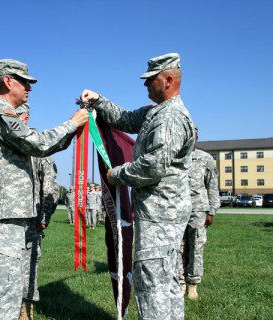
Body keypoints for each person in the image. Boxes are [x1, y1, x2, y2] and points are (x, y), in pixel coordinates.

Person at [81, 52, 195, 320]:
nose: (145, 85)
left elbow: (154, 166)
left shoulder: (170, 118)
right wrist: (98, 100)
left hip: (161, 215)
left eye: (150, 80)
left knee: (151, 284)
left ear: (168, 80)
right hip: (159, 213)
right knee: (166, 284)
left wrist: (116, 174)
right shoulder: (156, 113)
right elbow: (124, 119)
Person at [0, 58, 88, 320]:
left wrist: (77, 125)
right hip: (2, 219)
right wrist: (72, 123)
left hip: (14, 217)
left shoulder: (8, 114)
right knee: (1, 298)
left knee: (11, 292)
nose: (30, 88)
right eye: (25, 82)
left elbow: (44, 146)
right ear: (7, 81)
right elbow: (36, 143)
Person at [16, 103, 60, 320]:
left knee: (28, 266)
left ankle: (26, 310)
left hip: (31, 220)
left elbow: (50, 186)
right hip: (7, 219)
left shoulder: (38, 146)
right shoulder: (6, 143)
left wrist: (44, 217)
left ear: (24, 118)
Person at [179, 125, 220, 300]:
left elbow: (212, 186)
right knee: (178, 247)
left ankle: (193, 284)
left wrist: (212, 210)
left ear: (196, 137)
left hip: (198, 209)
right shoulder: (175, 157)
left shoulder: (206, 159)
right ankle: (180, 282)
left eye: (192, 135)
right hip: (177, 210)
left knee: (195, 247)